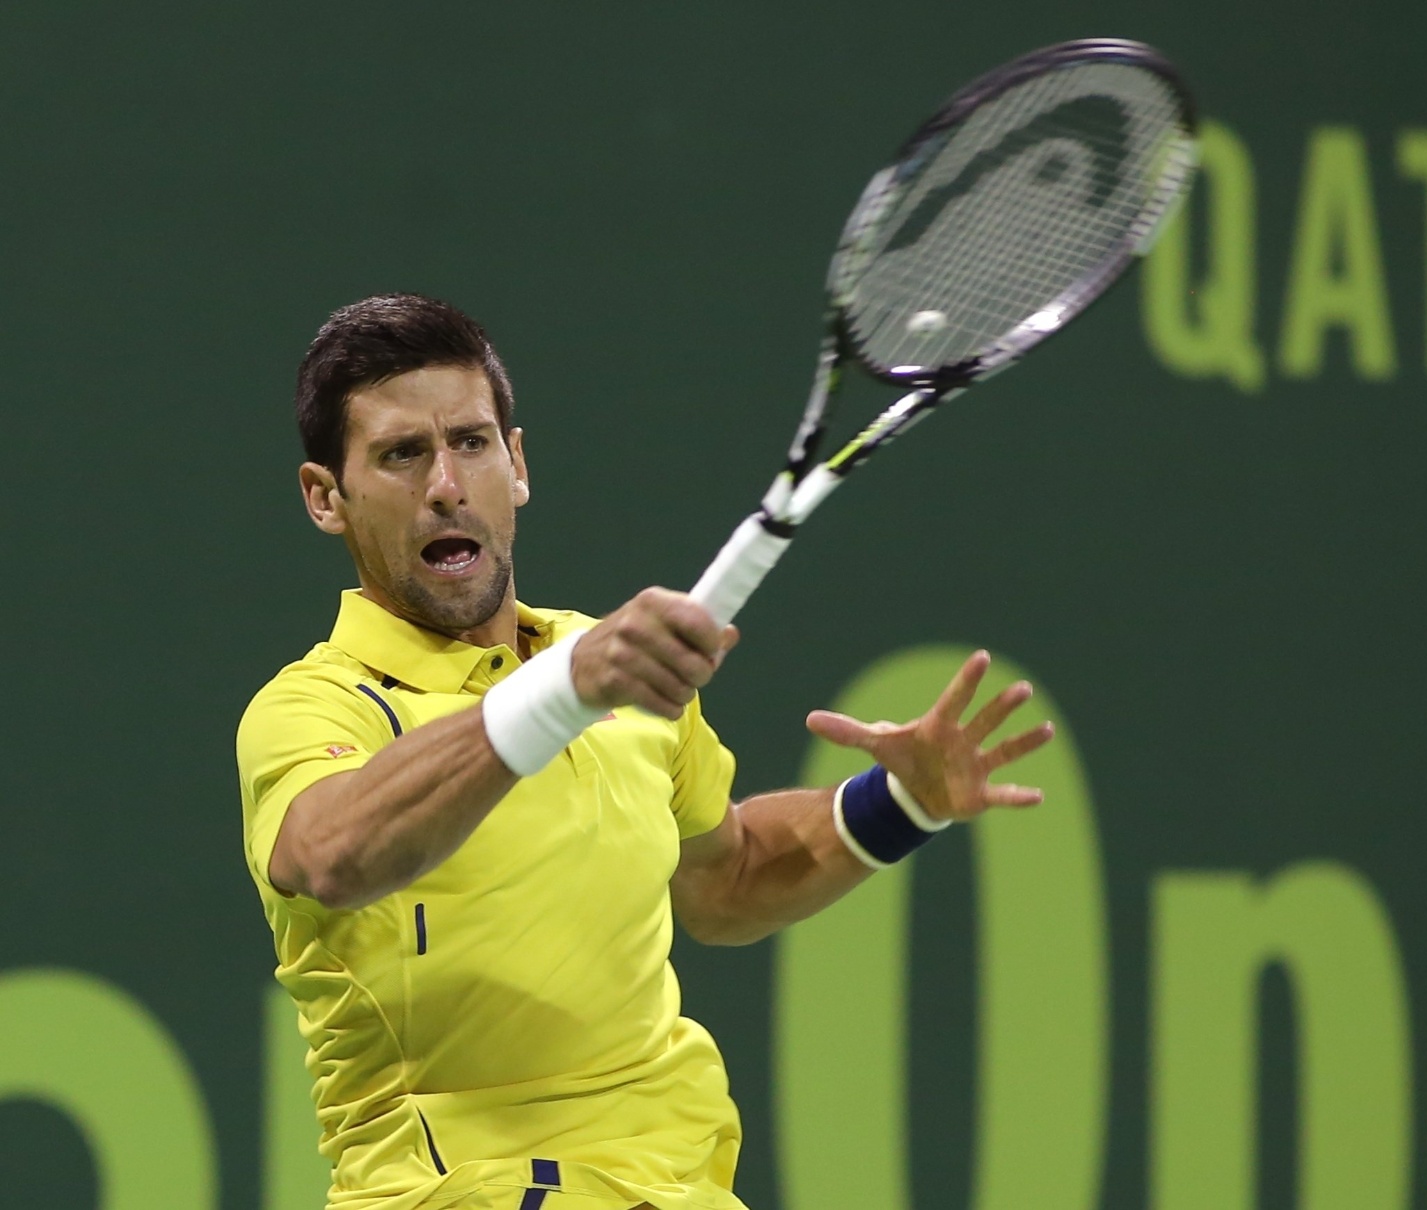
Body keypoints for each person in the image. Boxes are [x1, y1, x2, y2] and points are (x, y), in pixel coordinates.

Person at [237, 293, 1054, 1210]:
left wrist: (898, 806)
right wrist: (563, 692)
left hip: (679, 1186)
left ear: (518, 464)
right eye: (400, 455)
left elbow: (725, 879)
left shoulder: (609, 671)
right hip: (461, 1188)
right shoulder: (312, 706)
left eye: (470, 442)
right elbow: (330, 855)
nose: (444, 485)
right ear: (325, 499)